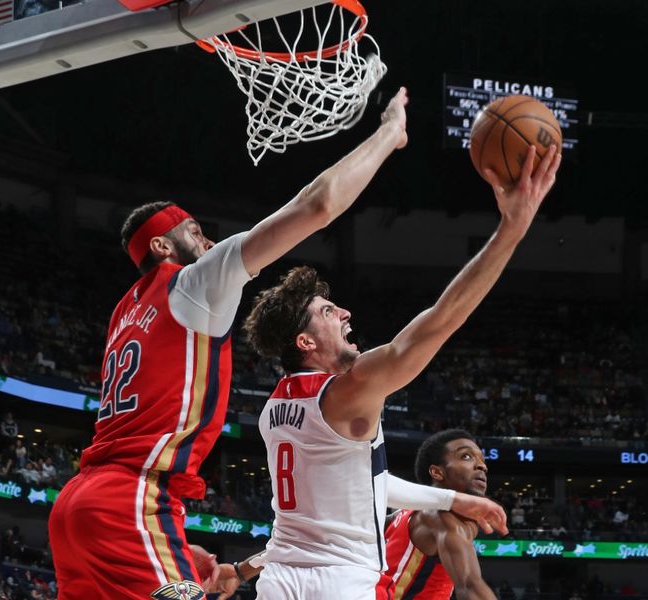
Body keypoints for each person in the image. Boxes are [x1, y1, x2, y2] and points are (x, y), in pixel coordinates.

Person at [49, 87, 418, 600]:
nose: (207, 242)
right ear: (163, 245)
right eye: (195, 232)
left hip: (78, 507)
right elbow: (318, 204)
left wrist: (168, 546)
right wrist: (387, 134)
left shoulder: (124, 312)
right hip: (132, 502)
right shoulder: (193, 283)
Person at [239, 141, 559, 599]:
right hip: (341, 584)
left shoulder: (274, 408)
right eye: (329, 313)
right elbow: (442, 318)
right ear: (305, 343)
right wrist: (512, 228)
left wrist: (453, 498)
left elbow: (365, 484)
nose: (345, 313)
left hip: (280, 581)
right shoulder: (349, 390)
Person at [377, 429, 495, 600]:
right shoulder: (442, 517)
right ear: (437, 472)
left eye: (482, 459)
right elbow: (470, 588)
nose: (482, 465)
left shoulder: (402, 515)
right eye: (466, 457)